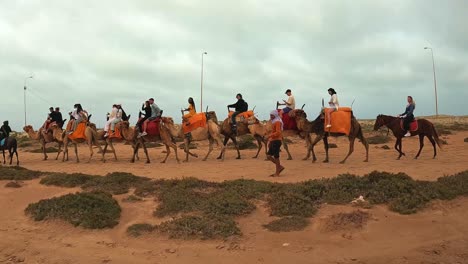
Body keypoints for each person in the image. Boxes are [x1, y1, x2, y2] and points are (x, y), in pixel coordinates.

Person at [267, 110, 284, 177]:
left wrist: (269, 136)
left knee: (276, 157)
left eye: (272, 115)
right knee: (268, 156)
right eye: (270, 115)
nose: (271, 116)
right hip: (273, 141)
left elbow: (278, 132)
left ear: (275, 115)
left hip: (277, 141)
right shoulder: (274, 122)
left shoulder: (277, 122)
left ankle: (277, 173)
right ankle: (280, 167)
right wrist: (270, 140)